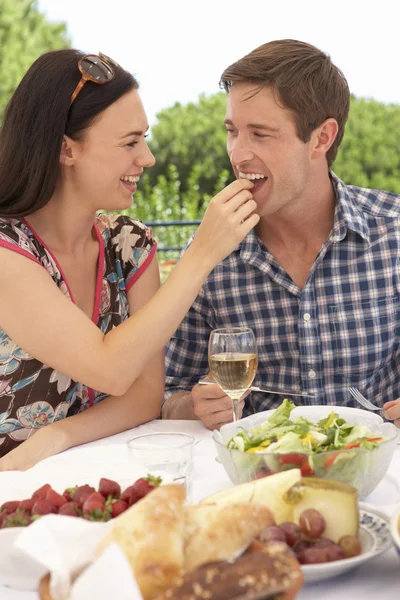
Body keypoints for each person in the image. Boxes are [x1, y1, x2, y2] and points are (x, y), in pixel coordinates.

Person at [0, 49, 259, 470]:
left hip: (90, 480)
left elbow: (143, 395)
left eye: (145, 138)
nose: (147, 158)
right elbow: (112, 371)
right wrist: (202, 252)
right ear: (67, 150)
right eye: (129, 143)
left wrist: (56, 437)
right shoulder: (7, 252)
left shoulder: (129, 245)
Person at [163, 39, 400, 431]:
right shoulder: (209, 254)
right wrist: (195, 405)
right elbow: (169, 396)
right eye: (233, 131)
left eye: (260, 134)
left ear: (321, 138)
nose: (238, 153)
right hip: (260, 477)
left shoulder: (392, 233)